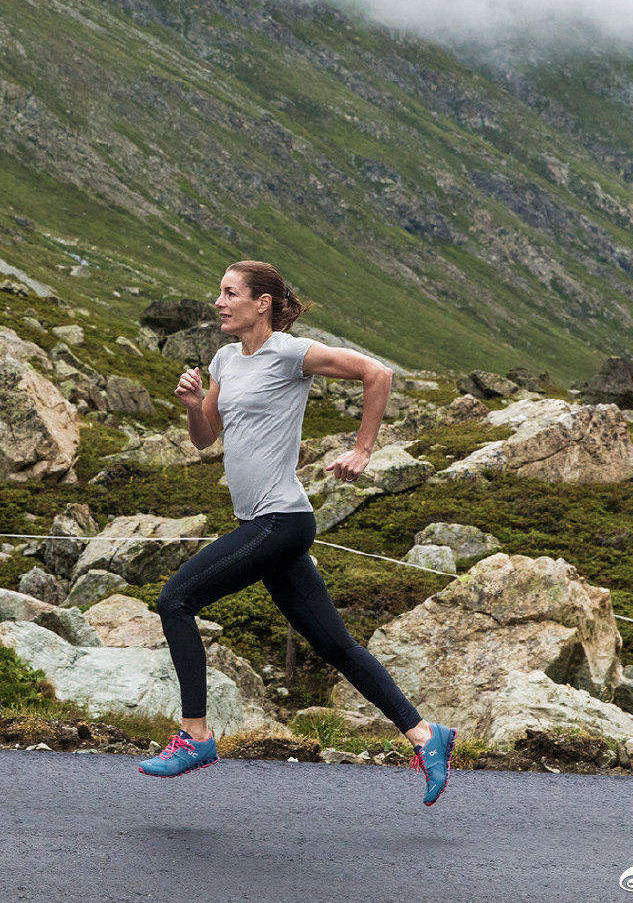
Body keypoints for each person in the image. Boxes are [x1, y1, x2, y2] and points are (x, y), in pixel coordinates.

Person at [137, 260, 456, 806]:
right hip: (258, 522)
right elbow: (203, 438)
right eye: (220, 292)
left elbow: (377, 374)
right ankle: (426, 736)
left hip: (280, 520)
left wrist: (362, 451)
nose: (219, 302)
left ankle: (196, 736)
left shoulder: (290, 353)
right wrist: (193, 407)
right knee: (334, 644)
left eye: (230, 293)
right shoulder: (224, 360)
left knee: (175, 601)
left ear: (261, 303)